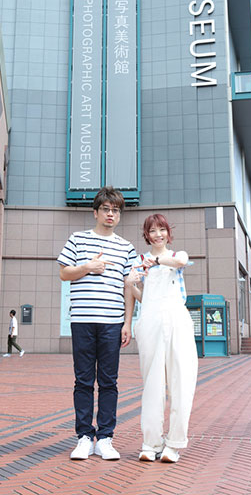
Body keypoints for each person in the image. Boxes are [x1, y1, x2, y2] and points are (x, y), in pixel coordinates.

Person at [57, 186, 137, 461]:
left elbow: (129, 287)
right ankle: (83, 437)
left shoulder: (126, 247)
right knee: (83, 380)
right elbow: (64, 273)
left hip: (112, 323)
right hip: (82, 320)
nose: (111, 214)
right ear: (95, 212)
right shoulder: (77, 239)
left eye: (115, 210)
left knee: (108, 381)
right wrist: (87, 268)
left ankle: (105, 438)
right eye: (106, 209)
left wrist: (127, 323)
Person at [126, 213, 198, 464]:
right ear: (146, 235)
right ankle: (151, 443)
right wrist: (131, 283)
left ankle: (174, 444)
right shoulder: (139, 262)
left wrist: (155, 261)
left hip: (177, 320)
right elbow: (141, 297)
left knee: (181, 381)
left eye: (162, 230)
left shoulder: (177, 255)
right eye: (152, 231)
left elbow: (180, 262)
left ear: (168, 232)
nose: (158, 235)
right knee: (152, 384)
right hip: (151, 321)